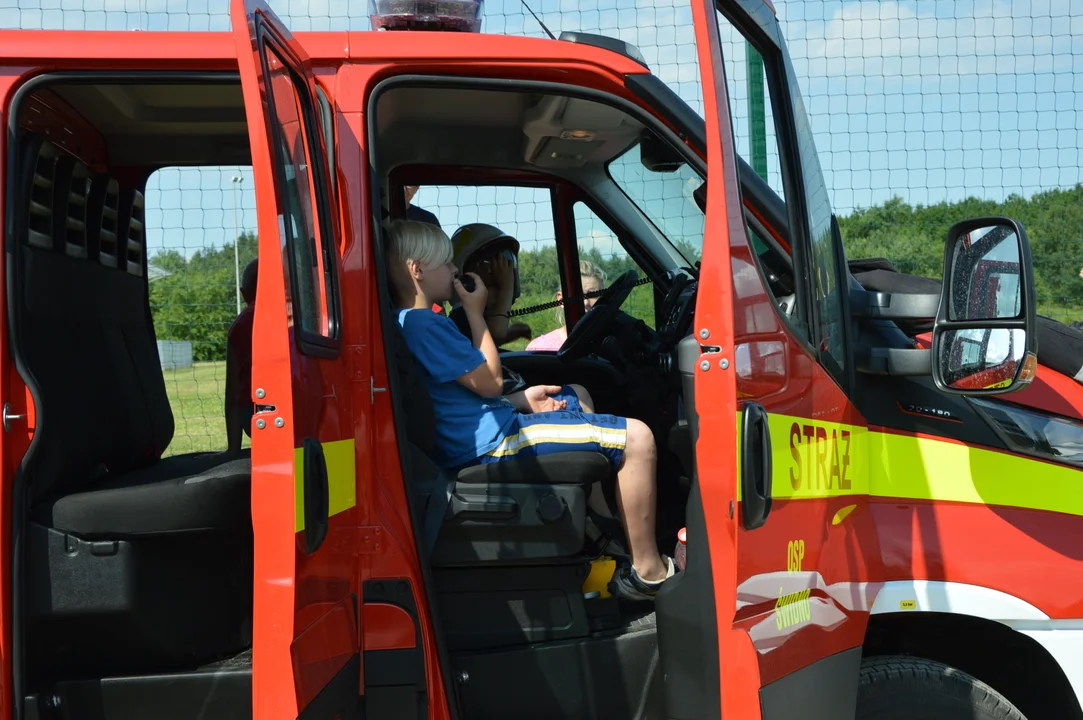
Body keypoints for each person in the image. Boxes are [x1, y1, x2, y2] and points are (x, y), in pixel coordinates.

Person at [387, 219, 676, 600]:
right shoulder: (426, 325)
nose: (455, 270)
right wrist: (475, 313)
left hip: (484, 428)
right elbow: (489, 379)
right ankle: (648, 572)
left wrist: (519, 400)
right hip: (492, 444)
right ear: (417, 270)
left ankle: (599, 527)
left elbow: (451, 398)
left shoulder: (410, 323)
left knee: (576, 392)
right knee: (638, 437)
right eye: (447, 263)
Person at [447, 223, 533, 345]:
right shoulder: (462, 318)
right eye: (493, 287)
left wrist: (511, 334)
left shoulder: (475, 318)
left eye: (499, 287)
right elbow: (496, 334)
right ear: (466, 285)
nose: (498, 297)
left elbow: (488, 338)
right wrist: (506, 289)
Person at [526, 260, 608, 352]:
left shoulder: (616, 344)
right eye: (577, 295)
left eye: (593, 295)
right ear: (561, 300)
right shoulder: (540, 348)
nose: (585, 303)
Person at [224, 258, 258, 457]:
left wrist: (233, 450)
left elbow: (232, 393)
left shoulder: (239, 326)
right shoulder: (294, 315)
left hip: (254, 415)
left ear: (243, 293)